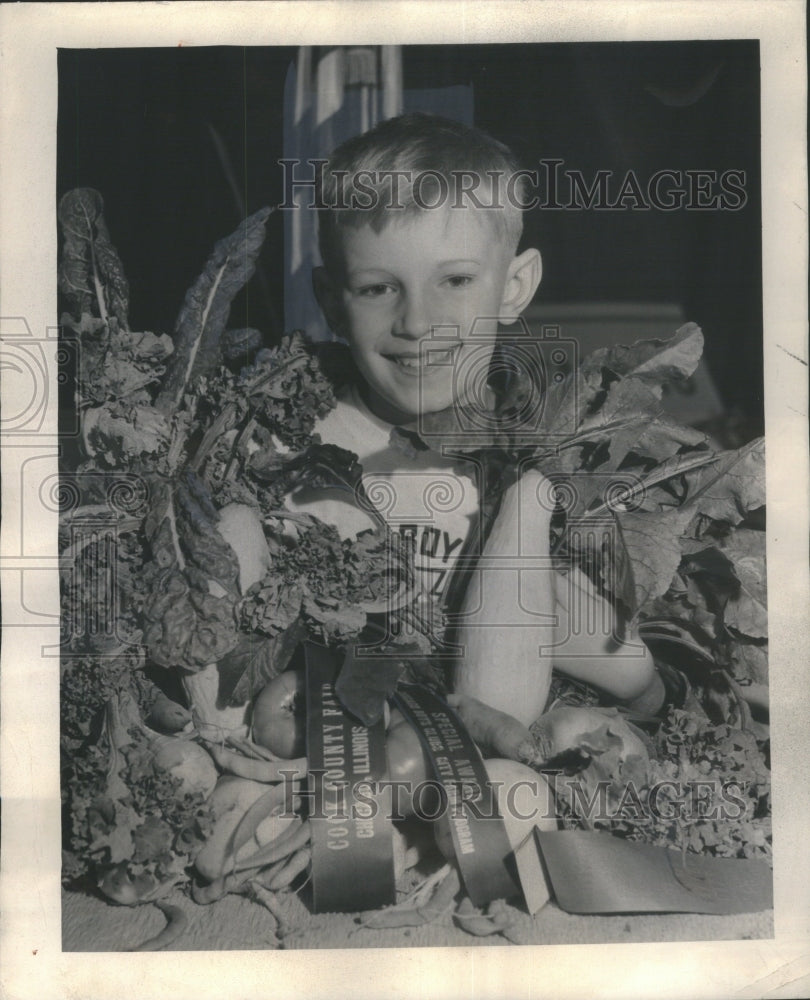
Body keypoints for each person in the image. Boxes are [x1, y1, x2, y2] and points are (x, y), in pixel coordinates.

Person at [284, 112, 676, 729]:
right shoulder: (284, 445)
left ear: (515, 286)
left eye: (456, 280)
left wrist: (642, 684)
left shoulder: (555, 461)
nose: (418, 322)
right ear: (332, 302)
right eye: (378, 289)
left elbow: (630, 672)